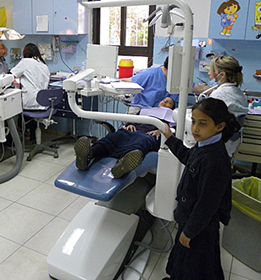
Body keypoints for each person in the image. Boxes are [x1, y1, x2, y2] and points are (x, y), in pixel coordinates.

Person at [159, 98, 241, 280]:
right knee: (193, 260)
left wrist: (190, 231)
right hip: (191, 219)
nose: (195, 128)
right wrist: (170, 138)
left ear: (219, 126)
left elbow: (207, 204)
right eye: (194, 122)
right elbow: (188, 157)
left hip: (199, 225)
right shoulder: (205, 145)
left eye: (202, 124)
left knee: (193, 264)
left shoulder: (215, 160)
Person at [74, 96, 175, 178]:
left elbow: (173, 131)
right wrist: (129, 124)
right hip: (133, 129)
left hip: (149, 134)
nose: (164, 102)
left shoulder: (173, 117)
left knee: (142, 142)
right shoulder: (146, 111)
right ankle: (88, 156)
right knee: (115, 136)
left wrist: (161, 131)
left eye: (169, 102)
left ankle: (122, 164)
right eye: (163, 100)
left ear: (172, 108)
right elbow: (133, 119)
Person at [193, 56, 248, 156]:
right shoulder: (239, 94)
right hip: (230, 144)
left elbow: (208, 124)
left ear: (222, 75)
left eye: (211, 70)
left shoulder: (219, 95)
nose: (209, 73)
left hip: (216, 147)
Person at [10, 43, 50, 110]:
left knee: (9, 105)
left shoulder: (25, 62)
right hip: (43, 102)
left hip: (30, 102)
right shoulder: (43, 65)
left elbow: (11, 75)